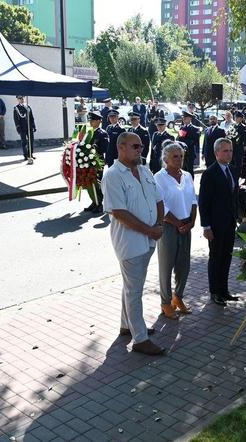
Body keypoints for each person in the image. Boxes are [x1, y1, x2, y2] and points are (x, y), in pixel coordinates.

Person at [101, 132, 165, 356]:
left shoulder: (145, 170)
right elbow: (119, 212)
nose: (141, 150)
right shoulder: (113, 175)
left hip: (149, 239)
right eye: (136, 146)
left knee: (131, 287)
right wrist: (150, 230)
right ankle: (140, 338)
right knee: (134, 290)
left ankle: (127, 326)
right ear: (121, 148)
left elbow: (158, 200)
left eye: (142, 146)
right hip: (130, 242)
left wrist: (158, 225)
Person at [154, 141, 197, 320]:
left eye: (181, 156)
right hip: (169, 227)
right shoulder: (158, 177)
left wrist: (192, 222)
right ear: (166, 158)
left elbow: (193, 200)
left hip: (186, 225)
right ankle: (165, 302)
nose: (179, 160)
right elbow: (161, 205)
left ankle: (177, 297)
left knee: (184, 266)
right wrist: (178, 223)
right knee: (166, 266)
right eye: (175, 156)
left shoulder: (187, 175)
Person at [198, 138, 239, 307]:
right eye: (225, 151)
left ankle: (224, 289)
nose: (228, 153)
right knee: (215, 257)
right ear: (216, 153)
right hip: (215, 225)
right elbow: (204, 202)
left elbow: (234, 196)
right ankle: (214, 291)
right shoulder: (209, 174)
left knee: (227, 257)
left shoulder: (233, 170)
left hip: (230, 223)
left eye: (230, 150)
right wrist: (206, 226)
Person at [85, 112, 109, 214]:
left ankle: (99, 204)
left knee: (97, 182)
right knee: (90, 183)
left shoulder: (102, 133)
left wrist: (94, 148)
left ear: (98, 121)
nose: (91, 122)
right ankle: (94, 201)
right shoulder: (89, 132)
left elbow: (104, 148)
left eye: (93, 120)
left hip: (98, 162)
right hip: (88, 161)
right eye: (90, 120)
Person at [177, 110, 201, 177]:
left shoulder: (195, 129)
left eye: (185, 118)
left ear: (190, 118)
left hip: (190, 153)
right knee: (182, 170)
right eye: (183, 118)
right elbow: (179, 139)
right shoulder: (182, 128)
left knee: (189, 170)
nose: (184, 119)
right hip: (181, 153)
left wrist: (185, 143)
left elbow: (195, 141)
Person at [13, 96, 36, 162]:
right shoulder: (16, 108)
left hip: (29, 127)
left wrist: (33, 125)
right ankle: (25, 155)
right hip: (22, 127)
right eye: (20, 99)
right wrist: (18, 127)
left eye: (22, 98)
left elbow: (31, 117)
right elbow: (16, 119)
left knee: (31, 141)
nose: (21, 100)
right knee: (24, 142)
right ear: (17, 100)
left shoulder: (28, 107)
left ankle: (30, 154)